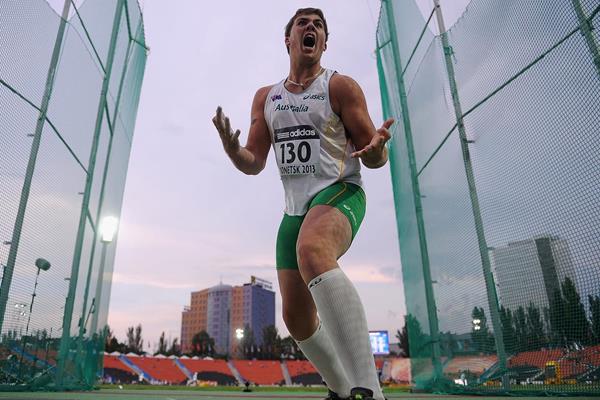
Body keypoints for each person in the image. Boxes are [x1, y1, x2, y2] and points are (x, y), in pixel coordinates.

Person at [212, 8, 393, 400]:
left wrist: (378, 151)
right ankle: (342, 389)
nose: (311, 26)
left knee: (312, 249)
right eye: (303, 22)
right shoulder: (266, 97)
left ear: (325, 43)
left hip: (340, 190)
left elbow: (373, 156)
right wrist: (232, 150)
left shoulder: (340, 87)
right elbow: (254, 163)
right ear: (289, 39)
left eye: (319, 24)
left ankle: (369, 389)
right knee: (296, 318)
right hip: (295, 210)